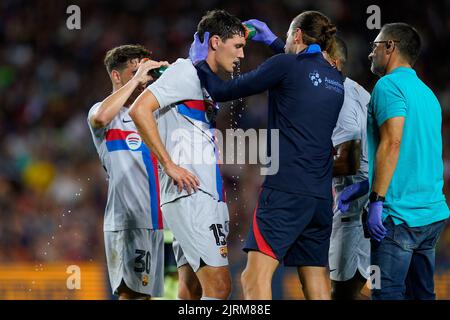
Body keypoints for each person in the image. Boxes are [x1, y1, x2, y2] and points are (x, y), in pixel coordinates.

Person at [190, 11, 344, 299]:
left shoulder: (286, 65)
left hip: (285, 190)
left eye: (286, 36)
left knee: (252, 278)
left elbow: (223, 90)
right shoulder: (335, 78)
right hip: (321, 197)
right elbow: (302, 72)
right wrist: (274, 41)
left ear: (297, 35)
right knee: (315, 280)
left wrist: (200, 61)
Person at [129, 10, 247, 300]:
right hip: (190, 196)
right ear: (216, 41)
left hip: (202, 194)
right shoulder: (186, 72)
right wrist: (168, 165)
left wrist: (249, 33)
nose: (242, 55)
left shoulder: (202, 79)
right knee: (219, 287)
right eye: (238, 46)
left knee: (191, 289)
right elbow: (138, 110)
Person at [345, 22, 449, 300]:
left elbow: (393, 143)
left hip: (398, 217)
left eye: (375, 46)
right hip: (431, 215)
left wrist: (376, 200)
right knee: (421, 295)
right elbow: (413, 156)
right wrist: (365, 187)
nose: (370, 54)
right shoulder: (428, 95)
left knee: (385, 294)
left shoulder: (388, 85)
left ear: (389, 47)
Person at [87, 45, 169, 299]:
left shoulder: (152, 114)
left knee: (143, 296)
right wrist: (136, 79)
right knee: (130, 294)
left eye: (144, 72)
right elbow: (100, 117)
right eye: (135, 71)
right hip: (129, 221)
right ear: (116, 76)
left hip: (157, 221)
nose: (143, 79)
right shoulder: (105, 113)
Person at [326, 37, 371, 300]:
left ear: (333, 63)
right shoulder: (355, 91)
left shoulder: (341, 98)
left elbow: (348, 160)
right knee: (348, 291)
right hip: (358, 201)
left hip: (355, 206)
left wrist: (303, 169)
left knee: (342, 292)